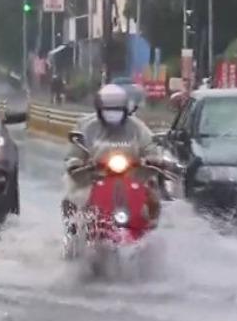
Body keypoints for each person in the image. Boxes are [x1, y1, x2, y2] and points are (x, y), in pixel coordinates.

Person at [61, 83, 165, 228]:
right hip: (94, 178)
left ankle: (150, 232)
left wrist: (154, 159)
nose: (112, 114)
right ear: (99, 110)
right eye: (108, 110)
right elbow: (74, 153)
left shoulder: (137, 128)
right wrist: (76, 163)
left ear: (125, 109)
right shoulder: (86, 126)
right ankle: (75, 232)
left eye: (117, 110)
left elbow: (150, 146)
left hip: (133, 177)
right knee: (73, 199)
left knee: (153, 198)